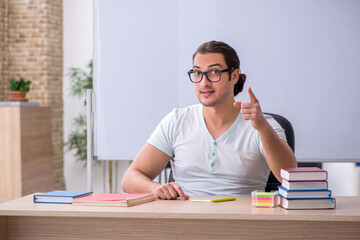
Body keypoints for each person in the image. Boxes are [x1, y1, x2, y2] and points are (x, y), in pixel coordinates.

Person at [121, 41, 297, 200]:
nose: (204, 82)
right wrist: (156, 188)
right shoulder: (176, 120)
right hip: (183, 221)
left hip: (241, 224)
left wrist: (263, 129)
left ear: (234, 76)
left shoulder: (262, 124)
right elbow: (130, 178)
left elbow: (290, 177)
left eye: (214, 72)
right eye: (197, 73)